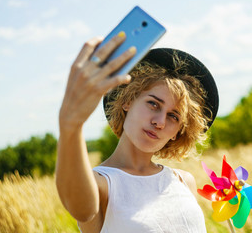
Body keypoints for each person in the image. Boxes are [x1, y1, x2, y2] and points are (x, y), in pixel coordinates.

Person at [55, 32, 219, 233]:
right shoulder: (100, 184)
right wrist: (70, 125)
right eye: (153, 104)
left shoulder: (184, 181)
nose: (159, 122)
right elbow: (80, 209)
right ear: (128, 100)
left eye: (173, 116)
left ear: (178, 132)